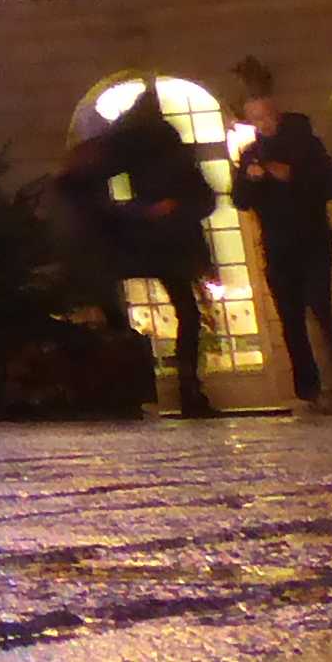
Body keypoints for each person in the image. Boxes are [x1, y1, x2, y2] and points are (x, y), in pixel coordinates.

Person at [57, 84, 218, 417]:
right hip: (162, 242)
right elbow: (202, 197)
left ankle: (142, 385)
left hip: (146, 241)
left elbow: (87, 181)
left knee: (154, 306)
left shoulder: (132, 145)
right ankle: (185, 389)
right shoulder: (159, 148)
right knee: (186, 312)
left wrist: (136, 211)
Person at [231, 62, 332, 409]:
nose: (262, 126)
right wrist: (249, 180)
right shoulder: (250, 153)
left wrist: (293, 176)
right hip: (277, 245)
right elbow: (239, 200)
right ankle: (309, 389)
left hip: (312, 239)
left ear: (276, 114)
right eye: (256, 121)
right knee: (290, 318)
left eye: (266, 118)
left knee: (318, 302)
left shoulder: (306, 145)